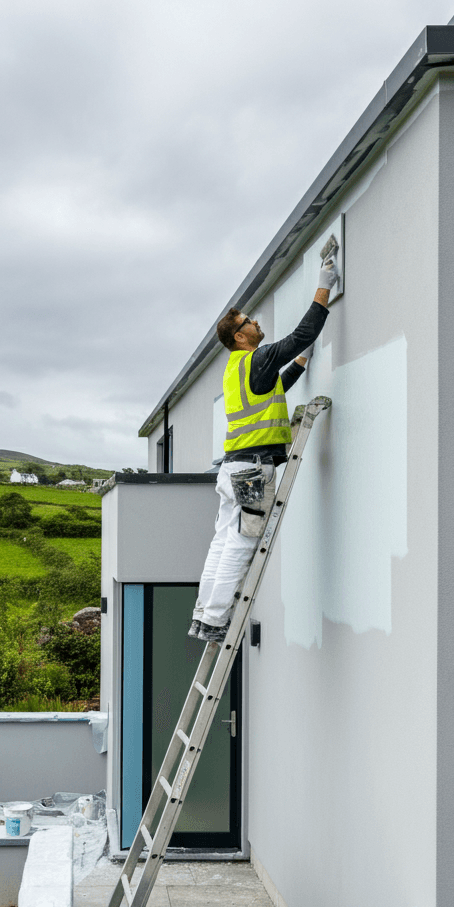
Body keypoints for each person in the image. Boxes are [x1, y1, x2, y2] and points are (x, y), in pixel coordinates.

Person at [188, 255, 339, 644]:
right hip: (252, 472)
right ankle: (217, 622)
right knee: (240, 544)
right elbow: (302, 332)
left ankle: (204, 615)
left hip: (232, 470)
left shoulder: (238, 367)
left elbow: (275, 387)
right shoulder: (258, 357)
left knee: (223, 541)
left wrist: (302, 364)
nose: (256, 323)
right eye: (249, 322)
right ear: (240, 336)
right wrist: (325, 284)